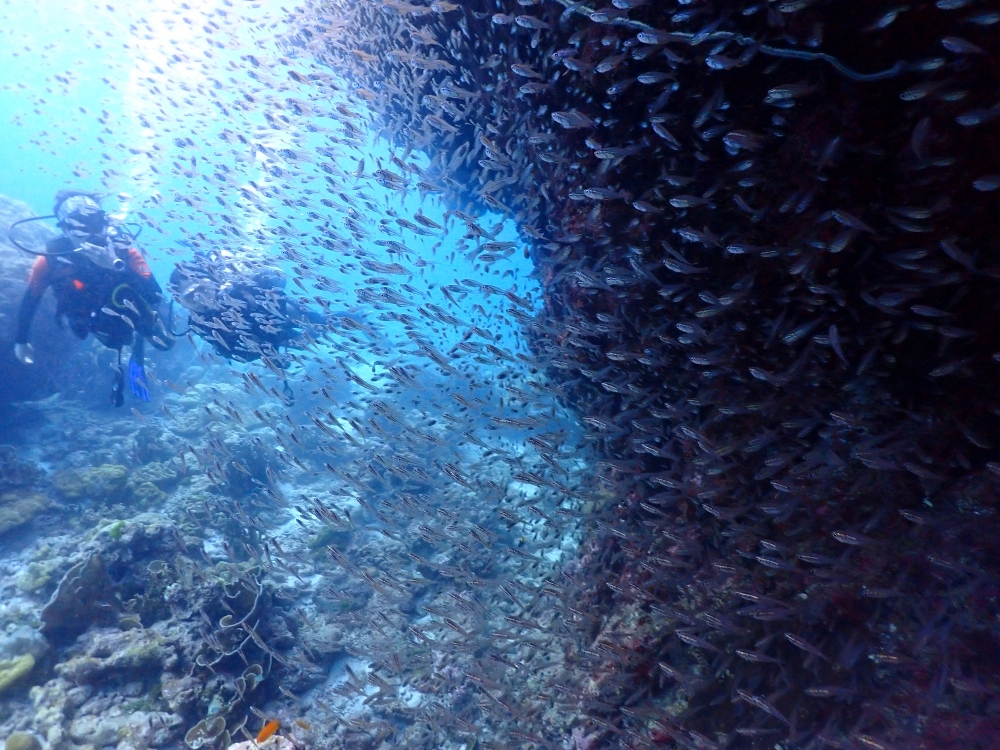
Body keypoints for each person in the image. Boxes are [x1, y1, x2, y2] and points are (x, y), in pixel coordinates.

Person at [11, 191, 175, 406]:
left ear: (105, 223)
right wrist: (21, 340)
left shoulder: (124, 251)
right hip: (90, 320)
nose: (89, 233)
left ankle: (142, 337)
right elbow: (31, 299)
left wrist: (117, 265)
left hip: (132, 313)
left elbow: (154, 293)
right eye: (80, 226)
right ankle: (128, 345)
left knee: (166, 344)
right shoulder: (49, 260)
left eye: (95, 223)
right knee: (112, 341)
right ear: (65, 228)